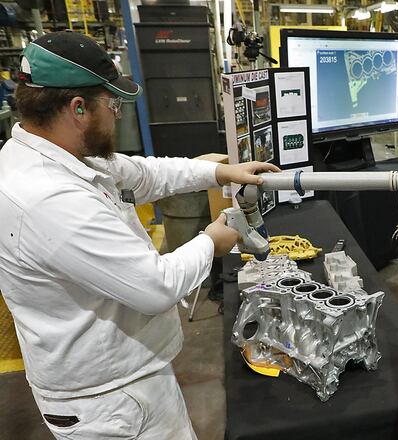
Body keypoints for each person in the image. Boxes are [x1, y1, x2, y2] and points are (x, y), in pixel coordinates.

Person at [0, 32, 280, 439]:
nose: (117, 115)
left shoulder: (59, 155)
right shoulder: (47, 197)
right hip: (108, 402)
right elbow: (156, 286)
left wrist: (220, 172)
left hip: (126, 377)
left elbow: (145, 174)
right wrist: (212, 241)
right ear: (77, 108)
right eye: (112, 104)